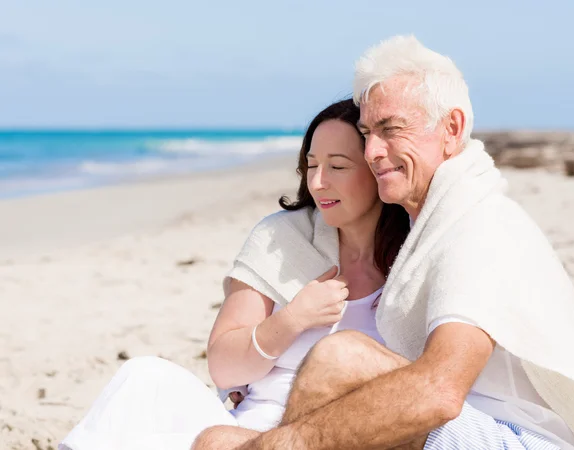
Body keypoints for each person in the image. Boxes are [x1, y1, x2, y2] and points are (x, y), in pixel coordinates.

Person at [195, 36, 574, 450]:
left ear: (452, 128)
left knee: (343, 358)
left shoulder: (479, 224)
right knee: (218, 440)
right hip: (465, 423)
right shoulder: (423, 222)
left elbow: (438, 392)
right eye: (368, 132)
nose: (372, 151)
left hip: (516, 436)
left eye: (391, 129)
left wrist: (275, 445)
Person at [58, 99, 410, 450]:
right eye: (312, 165)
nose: (318, 182)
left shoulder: (415, 257)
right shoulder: (281, 238)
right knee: (144, 375)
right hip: (243, 430)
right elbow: (224, 370)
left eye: (337, 166)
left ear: (377, 169)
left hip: (333, 438)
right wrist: (292, 319)